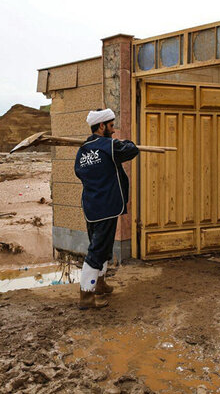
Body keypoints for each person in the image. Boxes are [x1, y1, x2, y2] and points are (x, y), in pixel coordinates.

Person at [74, 108, 139, 309]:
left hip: (91, 207)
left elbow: (79, 173)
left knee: (102, 248)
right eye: (111, 126)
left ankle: (99, 284)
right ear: (101, 126)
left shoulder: (83, 150)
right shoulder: (109, 146)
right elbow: (132, 149)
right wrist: (121, 143)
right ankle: (87, 295)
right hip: (106, 208)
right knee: (96, 251)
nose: (113, 130)